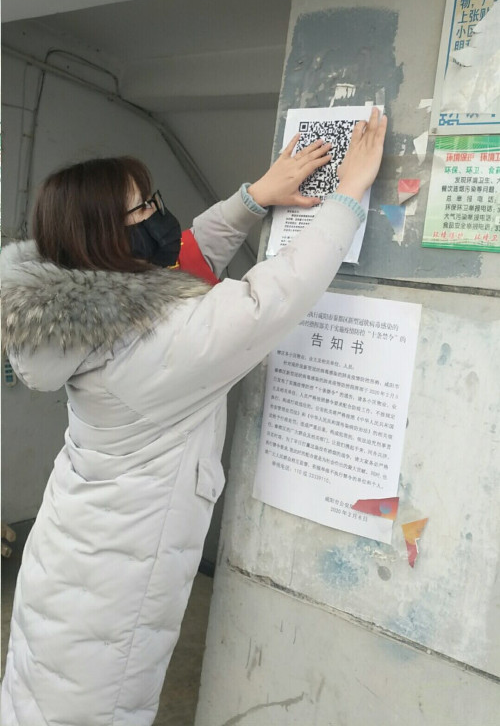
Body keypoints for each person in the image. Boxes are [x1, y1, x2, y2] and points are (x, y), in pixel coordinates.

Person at [1, 108, 387, 726]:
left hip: (73, 555)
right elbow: (267, 300)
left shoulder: (87, 305)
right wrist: (347, 198)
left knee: (32, 697)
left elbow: (180, 263)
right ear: (108, 240)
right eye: (144, 208)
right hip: (109, 593)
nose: (160, 212)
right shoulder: (154, 344)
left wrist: (254, 199)